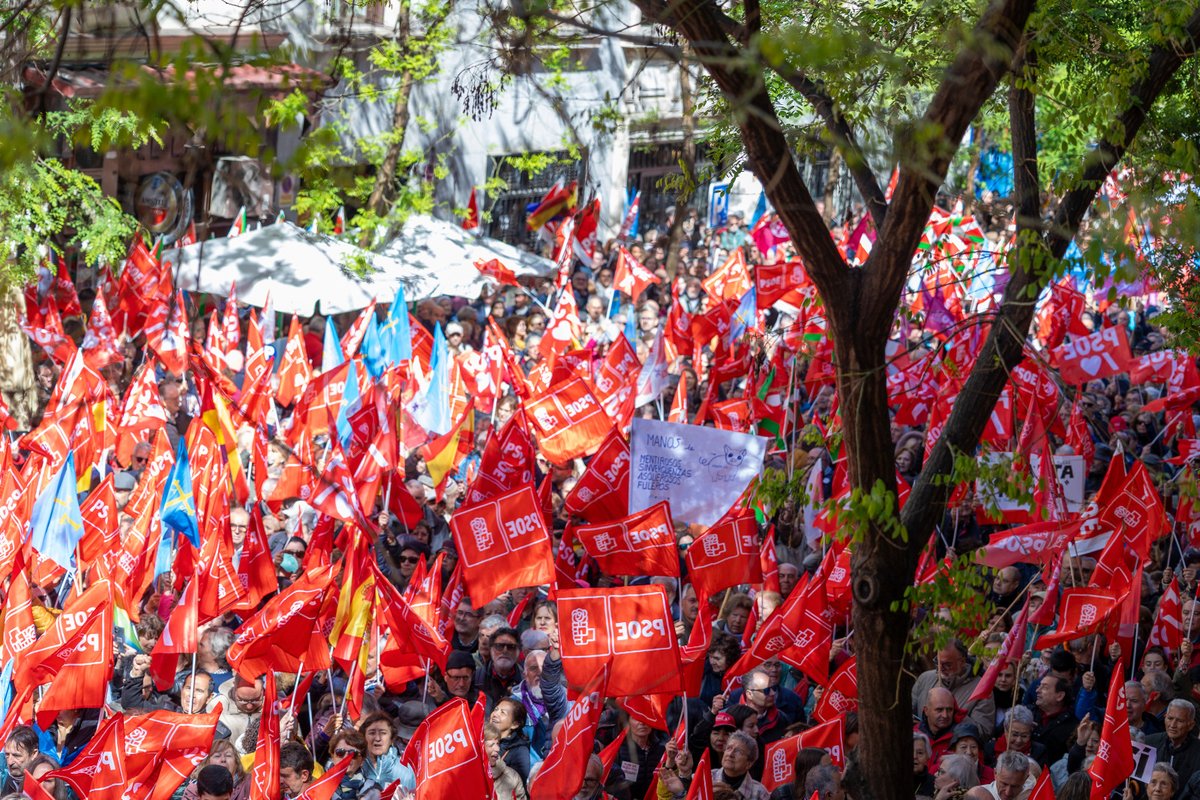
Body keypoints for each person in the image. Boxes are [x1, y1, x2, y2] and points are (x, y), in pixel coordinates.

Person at [1145, 699, 1200, 786]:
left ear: (1191, 725)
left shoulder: (1197, 751)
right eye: (1170, 718)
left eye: (1180, 721)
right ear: (1164, 717)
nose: (1173, 725)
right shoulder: (1148, 743)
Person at [325, 728, 382, 800]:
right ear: (332, 756)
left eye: (353, 754)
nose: (346, 757)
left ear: (362, 761)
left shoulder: (373, 790)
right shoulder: (319, 784)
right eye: (340, 752)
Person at [713, 731, 769, 800]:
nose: (730, 754)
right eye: (729, 748)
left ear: (749, 764)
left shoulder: (760, 793)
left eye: (738, 751)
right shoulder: (706, 779)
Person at [490, 698, 532, 785]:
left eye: (502, 712)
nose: (495, 714)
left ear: (515, 724)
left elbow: (517, 784)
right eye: (496, 709)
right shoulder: (481, 738)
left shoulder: (520, 752)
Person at [484, 722, 528, 800]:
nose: (497, 749)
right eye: (491, 745)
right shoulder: (465, 777)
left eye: (497, 744)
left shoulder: (512, 777)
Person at [1, 726, 40, 794]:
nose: (10, 762)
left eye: (16, 755)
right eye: (7, 754)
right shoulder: (2, 775)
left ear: (34, 754)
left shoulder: (44, 782)